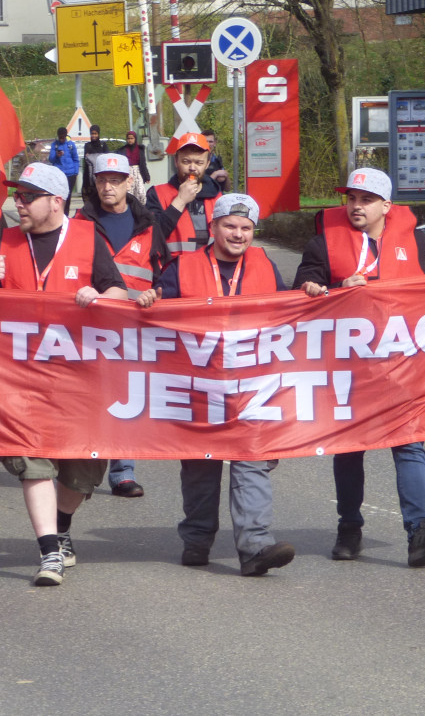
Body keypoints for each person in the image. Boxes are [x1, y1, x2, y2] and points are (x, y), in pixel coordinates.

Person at [293, 168, 425, 567]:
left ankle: (419, 531)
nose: (355, 206)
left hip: (400, 364)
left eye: (365, 200)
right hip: (347, 367)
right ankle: (349, 528)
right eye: (351, 198)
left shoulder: (413, 238)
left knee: (409, 443)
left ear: (386, 206)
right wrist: (325, 290)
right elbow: (302, 285)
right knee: (350, 449)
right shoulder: (324, 242)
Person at [0, 162, 127, 586]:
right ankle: (49, 552)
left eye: (28, 197)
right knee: (33, 464)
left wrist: (99, 295)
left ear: (56, 201)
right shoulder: (4, 241)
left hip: (78, 378)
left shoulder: (86, 238)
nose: (18, 204)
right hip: (19, 378)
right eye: (17, 195)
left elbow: (118, 289)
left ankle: (61, 523)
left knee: (82, 473)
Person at [157, 193, 296, 576]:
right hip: (197, 388)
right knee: (201, 470)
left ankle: (255, 548)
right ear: (214, 227)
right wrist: (150, 300)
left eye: (246, 228)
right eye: (230, 226)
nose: (238, 234)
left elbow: (289, 314)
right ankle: (197, 540)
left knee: (251, 464)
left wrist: (314, 297)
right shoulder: (180, 268)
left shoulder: (266, 267)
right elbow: (153, 323)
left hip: (251, 388)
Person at [75, 153, 168, 498]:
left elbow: (162, 273)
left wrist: (155, 296)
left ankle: (123, 472)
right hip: (91, 321)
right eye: (102, 180)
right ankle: (81, 470)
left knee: (127, 395)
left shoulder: (148, 223)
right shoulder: (80, 222)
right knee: (90, 396)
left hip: (133, 323)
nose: (108, 186)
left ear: (129, 182)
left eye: (115, 180)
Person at [145, 132, 222, 256]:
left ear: (207, 164)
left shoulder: (217, 196)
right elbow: (150, 237)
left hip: (210, 269)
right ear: (176, 162)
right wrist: (180, 201)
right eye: (186, 162)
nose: (192, 168)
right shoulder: (157, 194)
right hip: (173, 270)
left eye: (199, 163)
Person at [118, 131, 152, 204]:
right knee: (129, 192)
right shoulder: (123, 150)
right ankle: (130, 209)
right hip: (128, 173)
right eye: (128, 138)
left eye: (132, 138)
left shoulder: (140, 150)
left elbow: (143, 164)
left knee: (141, 193)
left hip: (138, 172)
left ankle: (141, 208)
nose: (130, 140)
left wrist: (147, 176)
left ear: (135, 139)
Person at [47, 127, 80, 196]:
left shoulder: (71, 145)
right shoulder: (54, 145)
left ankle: (67, 207)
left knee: (68, 195)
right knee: (59, 195)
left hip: (70, 174)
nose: (61, 139)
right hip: (59, 174)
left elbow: (75, 159)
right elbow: (51, 160)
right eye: (60, 137)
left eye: (63, 137)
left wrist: (76, 172)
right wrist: (57, 155)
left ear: (65, 136)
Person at [80, 124, 107, 201]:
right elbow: (86, 159)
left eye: (95, 134)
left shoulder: (103, 145)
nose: (94, 136)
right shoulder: (87, 145)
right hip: (89, 175)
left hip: (100, 174)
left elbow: (105, 159)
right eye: (92, 134)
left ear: (98, 134)